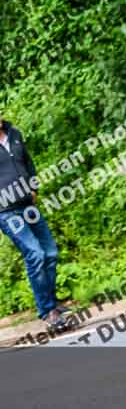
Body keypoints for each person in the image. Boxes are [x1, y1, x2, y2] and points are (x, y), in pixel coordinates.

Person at [0, 117, 69, 331]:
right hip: (6, 211)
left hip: (28, 205)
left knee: (50, 252)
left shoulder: (14, 134)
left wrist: (34, 188)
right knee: (35, 253)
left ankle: (53, 305)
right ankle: (48, 311)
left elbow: (28, 163)